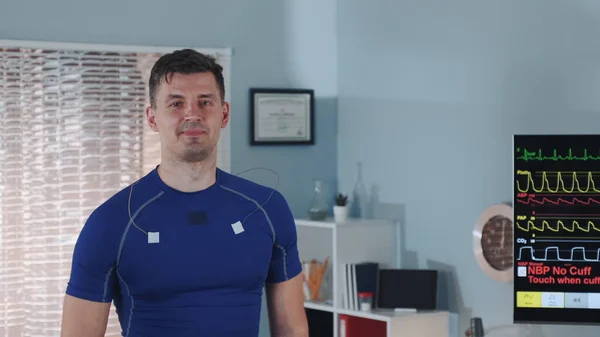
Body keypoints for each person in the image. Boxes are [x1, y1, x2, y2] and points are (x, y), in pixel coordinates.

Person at [60, 49, 308, 337]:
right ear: (152, 118)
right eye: (176, 103)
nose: (192, 114)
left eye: (205, 102)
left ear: (224, 113)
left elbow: (292, 328)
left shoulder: (267, 209)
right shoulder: (111, 222)